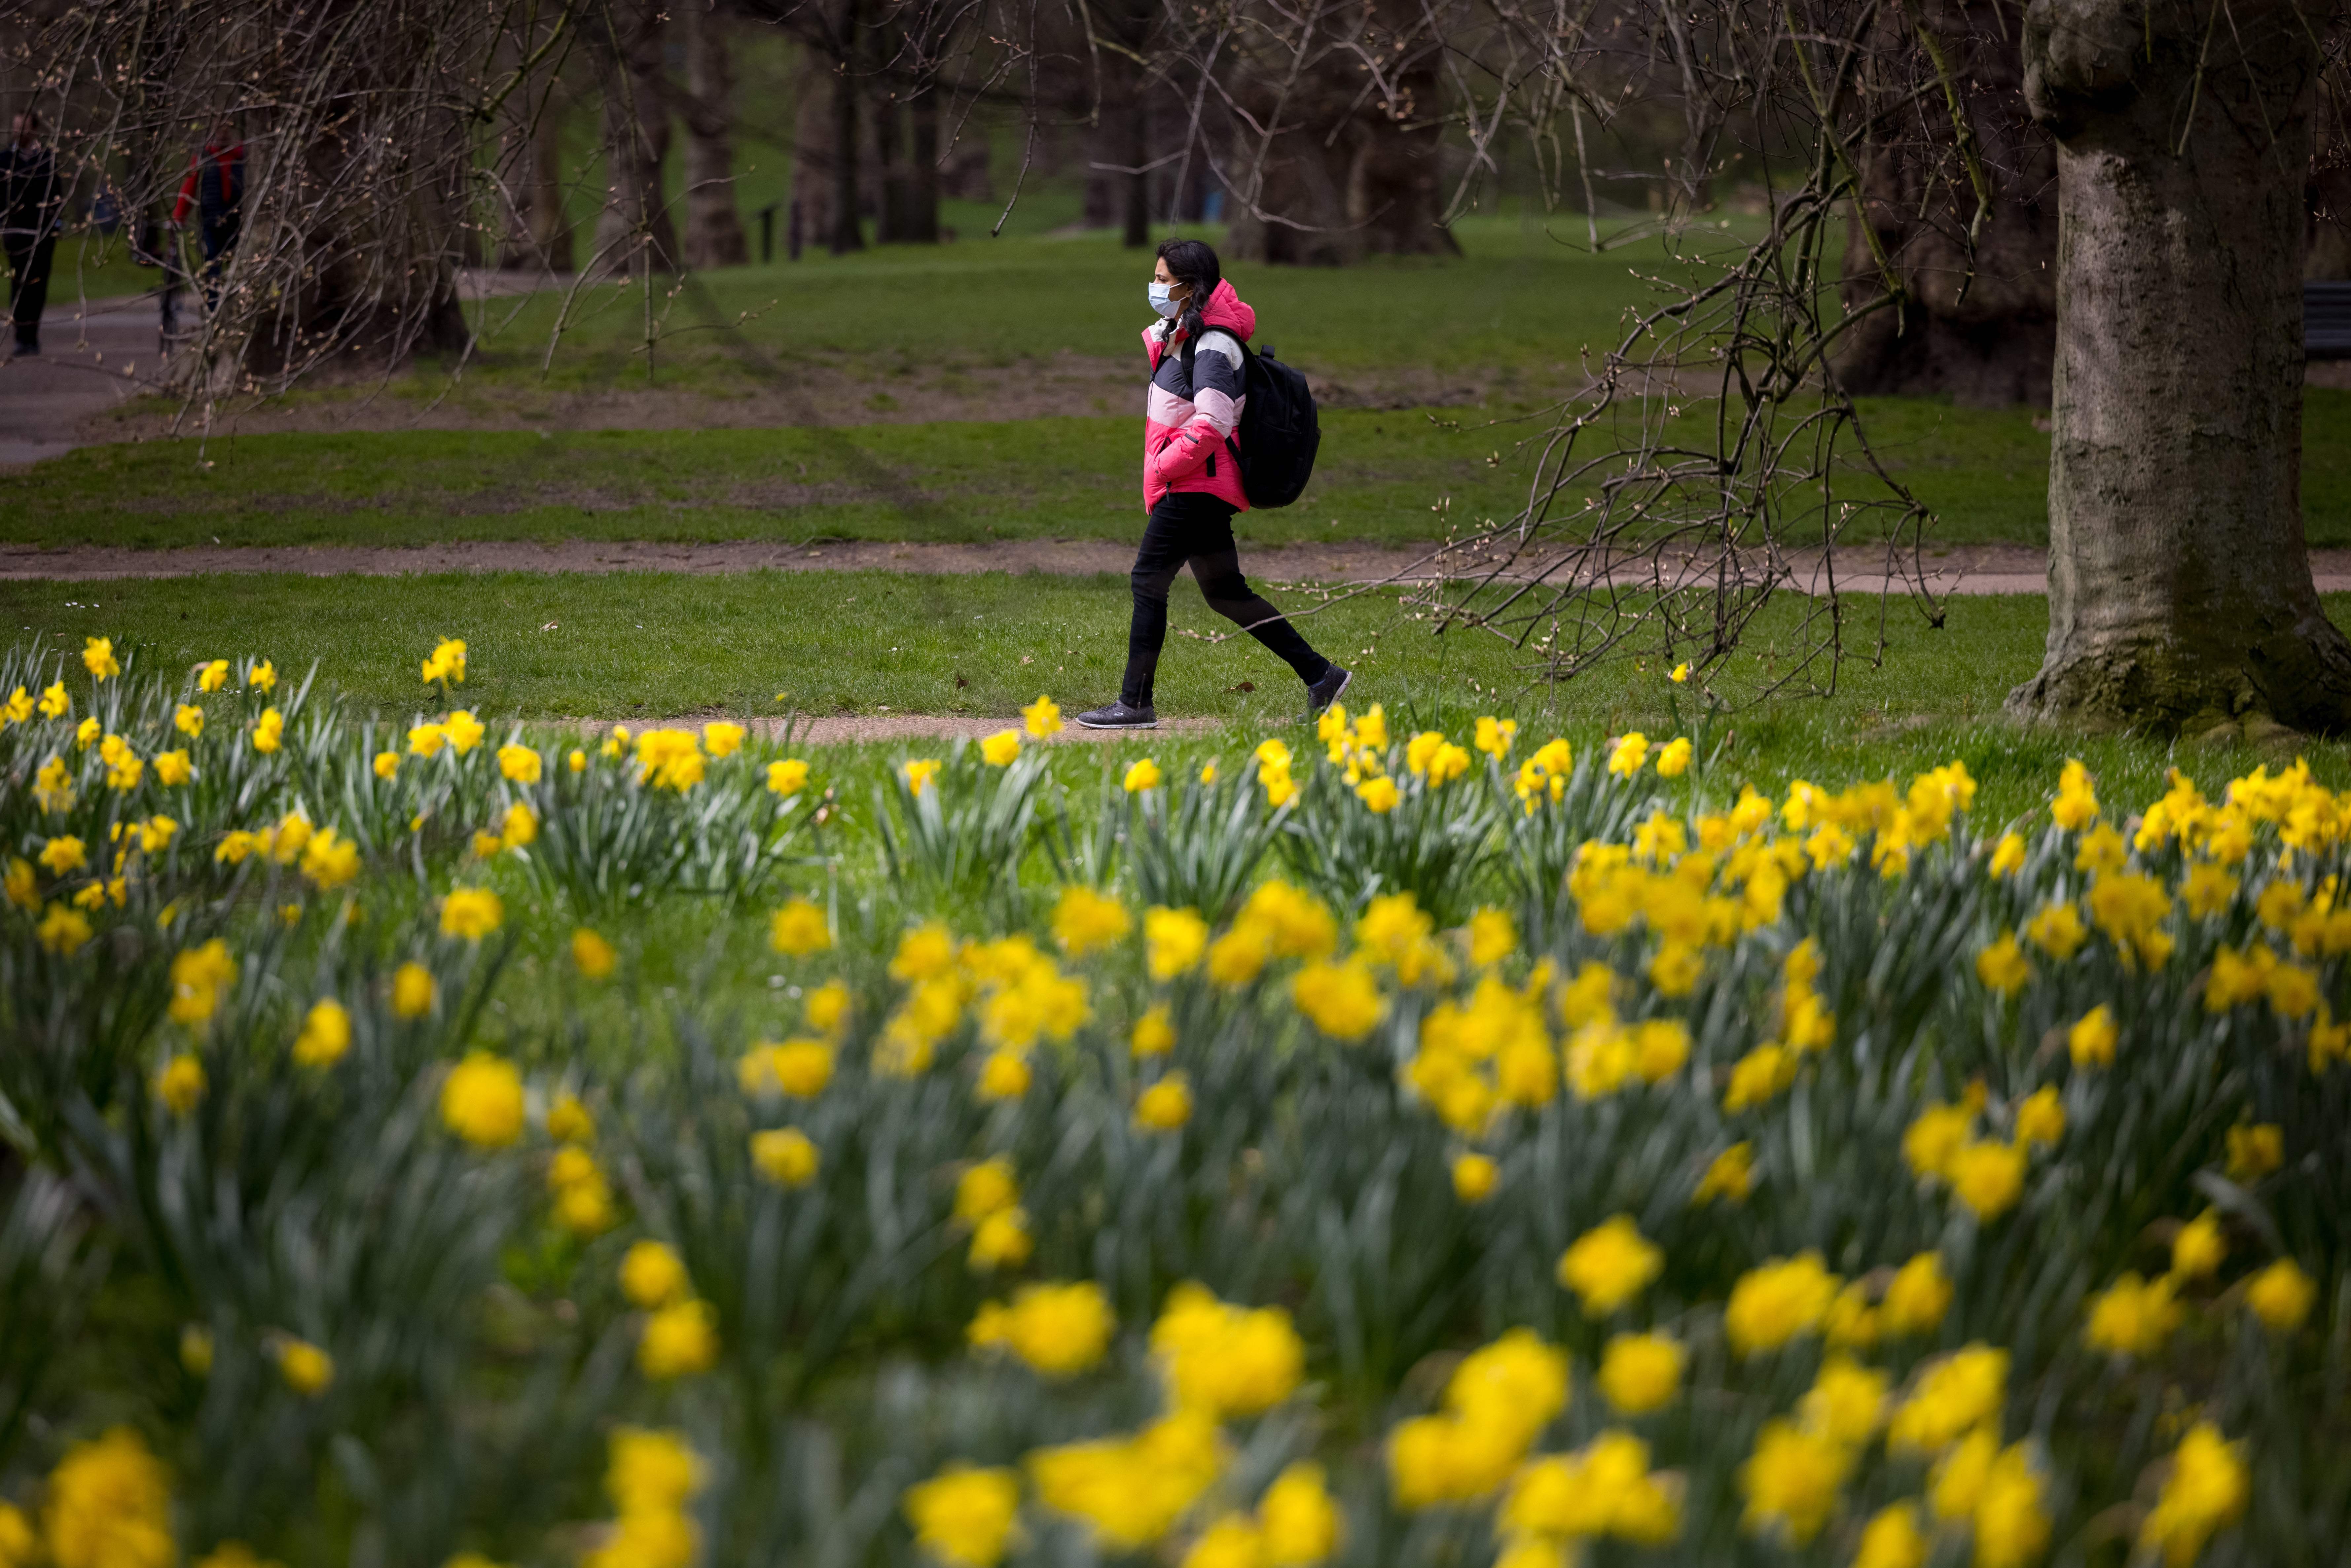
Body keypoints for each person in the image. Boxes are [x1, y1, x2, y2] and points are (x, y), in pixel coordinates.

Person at [1076, 239, 1348, 730]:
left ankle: (1134, 703)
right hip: (1200, 485)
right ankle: (1321, 675)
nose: (1155, 287)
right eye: (1155, 278)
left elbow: (1214, 421)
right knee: (1225, 592)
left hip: (1192, 487)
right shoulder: (1190, 335)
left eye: (1163, 280)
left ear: (1191, 287)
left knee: (1147, 581)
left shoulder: (1212, 344)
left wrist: (1164, 466)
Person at [1, 110, 63, 357]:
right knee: (19, 283)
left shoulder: (46, 159)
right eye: (16, 127)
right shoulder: (5, 160)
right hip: (15, 230)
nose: (19, 132)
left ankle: (32, 335)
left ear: (34, 129)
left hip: (41, 232)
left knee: (38, 284)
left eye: (24, 127)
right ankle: (20, 335)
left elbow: (56, 193)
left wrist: (53, 221)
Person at [171, 120, 244, 305]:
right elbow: (190, 186)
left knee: (238, 265)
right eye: (220, 130)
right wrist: (179, 217)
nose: (223, 135)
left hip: (237, 222)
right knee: (213, 264)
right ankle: (214, 308)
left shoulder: (241, 156)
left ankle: (235, 306)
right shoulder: (204, 157)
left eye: (227, 130)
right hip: (211, 222)